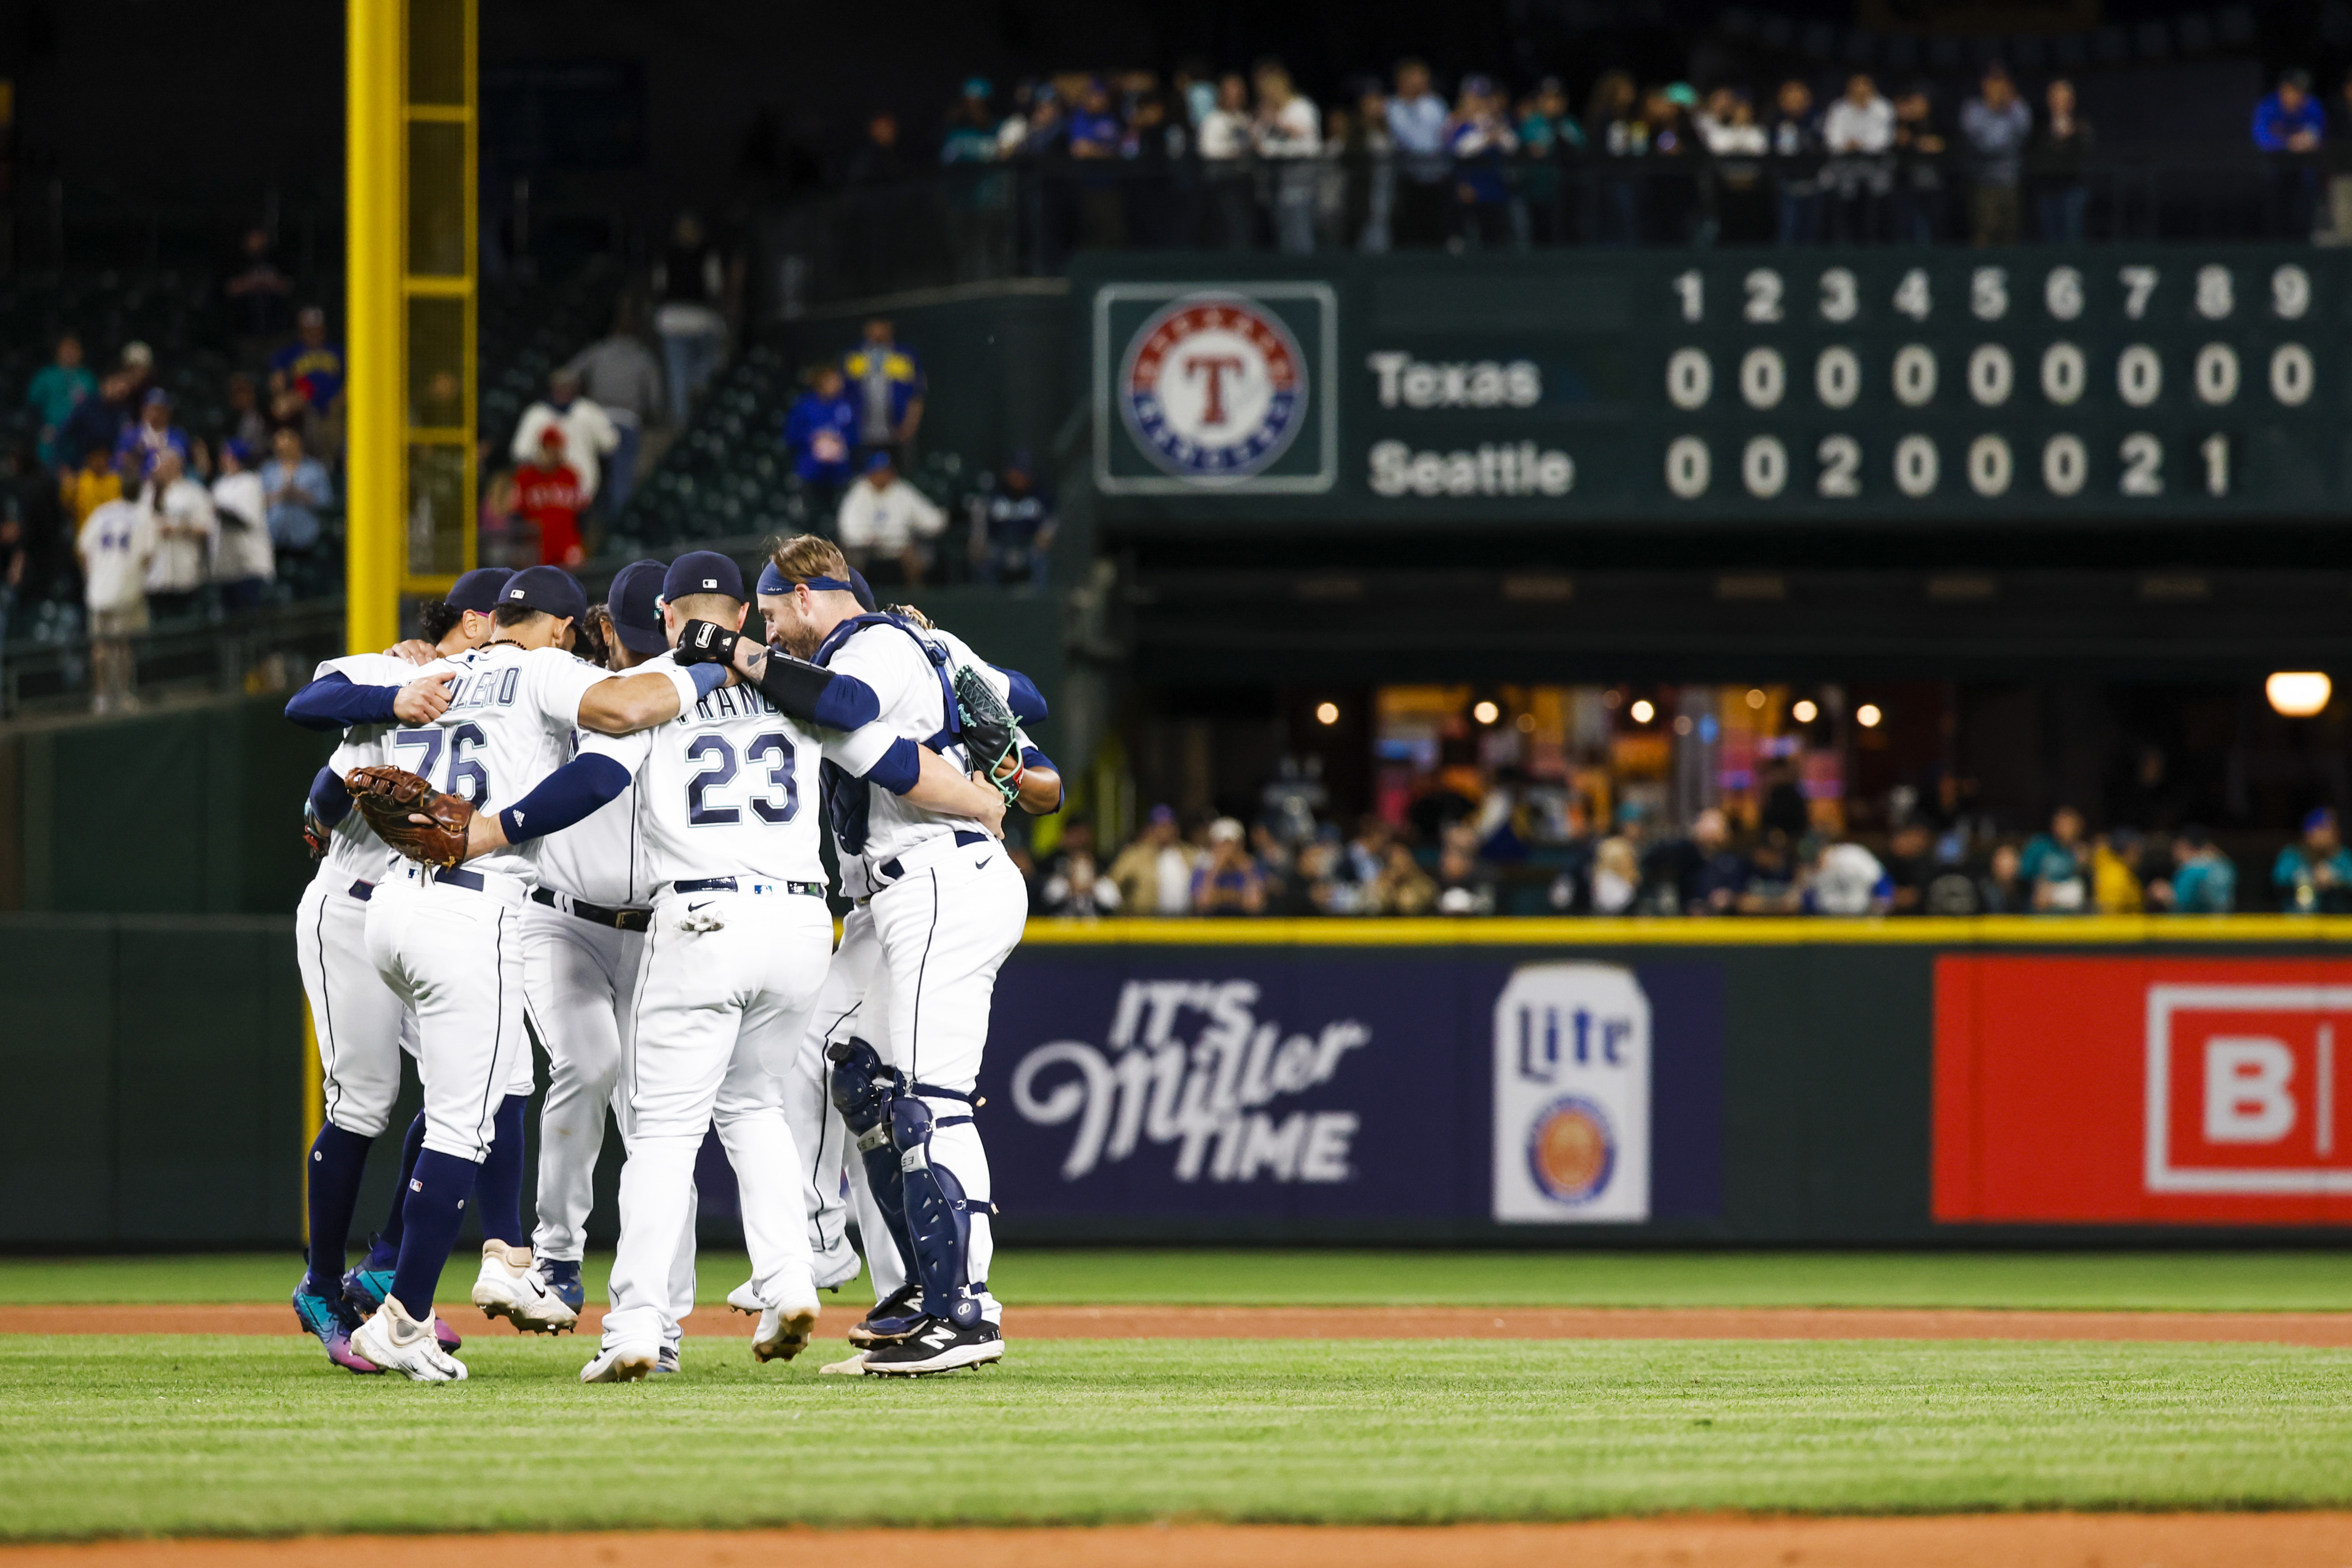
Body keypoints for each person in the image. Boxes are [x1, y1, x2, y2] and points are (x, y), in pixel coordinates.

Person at [327, 564, 744, 1379]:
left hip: (394, 902)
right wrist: (709, 664)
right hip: (475, 904)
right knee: (463, 1126)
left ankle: (473, 1271)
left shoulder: (437, 671)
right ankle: (404, 1317)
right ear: (557, 626)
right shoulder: (545, 663)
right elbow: (625, 709)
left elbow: (338, 772)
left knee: (484, 1093)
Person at [733, 535, 1036, 1374]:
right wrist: (972, 680)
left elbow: (844, 704)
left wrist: (741, 653)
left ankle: (965, 1309)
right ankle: (906, 1284)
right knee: (846, 1069)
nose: (771, 630)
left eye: (771, 614)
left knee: (930, 1098)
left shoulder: (873, 642)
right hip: (888, 894)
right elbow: (1022, 697)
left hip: (940, 874)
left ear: (803, 595)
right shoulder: (896, 644)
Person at [279, 567, 510, 1372]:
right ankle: (320, 1282)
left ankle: (383, 1262)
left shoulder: (509, 692)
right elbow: (307, 714)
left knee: (475, 1087)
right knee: (366, 1101)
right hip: (351, 906)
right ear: (475, 621)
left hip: (429, 907)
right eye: (506, 615)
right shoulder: (393, 668)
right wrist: (395, 694)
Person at [561, 307, 664, 517]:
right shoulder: (643, 356)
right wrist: (654, 415)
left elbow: (567, 375)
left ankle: (590, 520)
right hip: (627, 421)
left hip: (597, 420)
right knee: (622, 479)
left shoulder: (599, 350)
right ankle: (615, 528)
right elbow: (655, 397)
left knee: (589, 474)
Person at [76, 467, 157, 713]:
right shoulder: (144, 515)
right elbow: (148, 557)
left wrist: (93, 575)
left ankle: (101, 697)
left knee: (100, 646)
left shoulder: (102, 513)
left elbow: (81, 549)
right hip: (125, 589)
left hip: (99, 590)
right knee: (122, 645)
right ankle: (122, 694)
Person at [652, 212, 730, 427]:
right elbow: (715, 288)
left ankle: (685, 419)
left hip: (684, 318)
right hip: (690, 317)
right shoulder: (689, 255)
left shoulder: (694, 254)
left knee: (683, 373)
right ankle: (687, 422)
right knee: (685, 373)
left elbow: (659, 287)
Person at [834, 451, 945, 589]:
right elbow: (848, 530)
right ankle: (855, 601)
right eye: (879, 471)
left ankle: (916, 601)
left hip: (899, 548)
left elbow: (933, 521)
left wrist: (913, 532)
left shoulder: (902, 490)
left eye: (886, 470)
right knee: (849, 561)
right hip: (867, 549)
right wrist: (869, 538)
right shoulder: (859, 491)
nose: (883, 475)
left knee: (916, 557)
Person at [511, 369, 619, 510]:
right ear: (553, 386)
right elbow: (520, 452)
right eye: (561, 386)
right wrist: (545, 458)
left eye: (568, 386)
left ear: (576, 388)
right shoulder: (537, 414)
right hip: (543, 492)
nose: (564, 390)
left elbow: (610, 443)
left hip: (582, 487)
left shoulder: (588, 412)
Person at [138, 449, 216, 625]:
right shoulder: (148, 493)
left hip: (186, 574)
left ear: (175, 466)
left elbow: (207, 529)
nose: (158, 470)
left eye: (163, 465)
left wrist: (180, 528)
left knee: (185, 628)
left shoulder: (194, 492)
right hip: (155, 576)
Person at [1253, 60, 1321, 255]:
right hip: (1276, 185)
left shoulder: (1301, 108)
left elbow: (1311, 147)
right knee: (1283, 238)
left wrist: (1276, 144)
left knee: (1300, 237)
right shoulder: (1269, 112)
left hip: (1301, 182)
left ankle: (1306, 278)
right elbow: (1260, 144)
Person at [1959, 65, 2031, 246]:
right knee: (1984, 231)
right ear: (1984, 85)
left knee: (2011, 233)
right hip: (1983, 181)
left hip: (2011, 180)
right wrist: (1993, 109)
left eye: (2001, 83)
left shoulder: (2018, 108)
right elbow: (1981, 143)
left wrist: (2008, 105)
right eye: (1992, 83)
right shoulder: (1973, 109)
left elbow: (2024, 131)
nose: (1996, 88)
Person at [1445, 75, 1519, 251]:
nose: (1478, 104)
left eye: (1483, 99)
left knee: (1495, 242)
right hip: (1469, 192)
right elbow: (1461, 149)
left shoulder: (1498, 122)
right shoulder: (1460, 124)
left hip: (1496, 193)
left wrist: (1494, 132)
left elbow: (1512, 144)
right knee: (1464, 241)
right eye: (1473, 99)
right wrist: (1487, 138)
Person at [1822, 73, 1896, 242]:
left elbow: (1883, 141)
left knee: (1875, 205)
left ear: (1872, 90)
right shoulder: (1839, 108)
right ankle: (1843, 245)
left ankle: (1874, 244)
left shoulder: (1883, 108)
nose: (1860, 93)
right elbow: (1832, 140)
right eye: (1856, 89)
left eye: (1864, 89)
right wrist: (1849, 146)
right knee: (1842, 201)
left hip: (1875, 166)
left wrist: (1859, 144)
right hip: (1846, 167)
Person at [842, 316, 925, 465]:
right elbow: (842, 395)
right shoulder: (853, 356)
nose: (877, 331)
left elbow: (917, 395)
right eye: (873, 325)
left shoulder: (905, 355)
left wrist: (910, 425)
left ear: (889, 327)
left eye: (881, 325)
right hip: (863, 434)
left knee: (902, 478)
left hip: (897, 432)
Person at [1387, 59, 1451, 247]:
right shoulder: (1393, 108)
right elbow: (1412, 142)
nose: (1422, 82)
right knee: (1409, 237)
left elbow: (1443, 138)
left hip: (1438, 181)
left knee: (1437, 236)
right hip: (1408, 181)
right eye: (1417, 78)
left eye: (1424, 78)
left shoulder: (1435, 105)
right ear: (1403, 80)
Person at [2254, 69, 2325, 239]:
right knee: (2276, 224)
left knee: (2302, 223)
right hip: (2275, 174)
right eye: (2294, 90)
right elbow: (2262, 138)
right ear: (2284, 89)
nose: (2298, 96)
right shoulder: (2268, 106)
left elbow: (2317, 136)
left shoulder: (2311, 106)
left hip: (2304, 176)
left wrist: (2305, 142)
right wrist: (2289, 143)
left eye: (2301, 91)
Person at [969, 450, 1053, 588]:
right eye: (1015, 472)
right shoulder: (995, 493)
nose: (1018, 477)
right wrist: (978, 540)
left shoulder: (1041, 496)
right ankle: (990, 602)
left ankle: (1036, 599)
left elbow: (1050, 521)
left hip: (1028, 546)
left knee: (1039, 559)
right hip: (1000, 546)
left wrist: (1045, 535)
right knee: (987, 560)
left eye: (1023, 473)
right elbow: (980, 520)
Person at [783, 364, 859, 519]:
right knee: (811, 516)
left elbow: (856, 435)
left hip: (839, 473)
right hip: (811, 472)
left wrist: (840, 440)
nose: (838, 383)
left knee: (839, 515)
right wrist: (814, 438)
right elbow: (791, 435)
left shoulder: (846, 405)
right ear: (821, 382)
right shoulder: (805, 405)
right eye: (832, 380)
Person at [209, 440, 273, 614]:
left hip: (250, 567)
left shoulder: (251, 483)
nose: (222, 459)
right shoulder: (220, 485)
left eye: (227, 454)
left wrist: (218, 511)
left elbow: (244, 520)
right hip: (226, 568)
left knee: (252, 622)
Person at [1197, 74, 1257, 250]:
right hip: (1223, 182)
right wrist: (1236, 152)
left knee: (1246, 226)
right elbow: (1207, 150)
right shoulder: (1213, 120)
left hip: (1244, 181)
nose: (1235, 97)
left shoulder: (1244, 119)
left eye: (1239, 92)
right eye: (1231, 92)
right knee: (1230, 225)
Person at [514, 427, 587, 568]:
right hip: (537, 547)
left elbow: (583, 513)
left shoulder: (570, 476)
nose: (551, 453)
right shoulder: (525, 478)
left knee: (575, 583)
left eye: (555, 449)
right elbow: (516, 516)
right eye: (547, 448)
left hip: (567, 545)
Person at [1108, 804, 1200, 914]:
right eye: (1161, 826)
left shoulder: (1190, 854)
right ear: (1151, 829)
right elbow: (1112, 884)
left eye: (1170, 826)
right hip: (1146, 920)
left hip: (1185, 920)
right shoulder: (1135, 856)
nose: (1166, 831)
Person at [2033, 79, 2094, 243]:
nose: (2059, 102)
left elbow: (2085, 153)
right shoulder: (2039, 127)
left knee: (2072, 237)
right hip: (2047, 189)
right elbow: (2035, 155)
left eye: (2063, 97)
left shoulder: (2082, 126)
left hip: (2073, 188)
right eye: (2055, 97)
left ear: (2071, 101)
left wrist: (2071, 136)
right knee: (2050, 238)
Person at [26, 334, 96, 471]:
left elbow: (95, 409)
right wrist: (41, 428)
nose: (70, 353)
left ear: (80, 353)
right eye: (66, 349)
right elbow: (32, 407)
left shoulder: (87, 378)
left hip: (78, 443)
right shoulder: (46, 376)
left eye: (74, 349)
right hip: (51, 441)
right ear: (58, 352)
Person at [262, 425, 333, 555]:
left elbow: (326, 502)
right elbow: (259, 502)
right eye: (279, 444)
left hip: (306, 538)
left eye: (287, 443)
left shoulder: (314, 469)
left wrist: (301, 495)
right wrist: (279, 495)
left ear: (297, 442)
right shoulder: (268, 470)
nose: (282, 448)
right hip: (274, 538)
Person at [1769, 79, 1824, 245]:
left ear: (1808, 101)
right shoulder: (1776, 123)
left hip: (1815, 187)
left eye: (1799, 99)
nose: (1794, 104)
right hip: (1788, 188)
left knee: (1814, 237)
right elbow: (1779, 153)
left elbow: (1825, 147)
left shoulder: (1818, 121)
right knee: (1788, 235)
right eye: (1790, 100)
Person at [1890, 87, 1946, 244]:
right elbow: (1896, 145)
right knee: (1906, 227)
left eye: (1921, 103)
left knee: (1933, 228)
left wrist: (1938, 145)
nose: (1917, 107)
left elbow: (1949, 144)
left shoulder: (1937, 123)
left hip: (1933, 186)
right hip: (1906, 186)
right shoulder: (1901, 124)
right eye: (1914, 103)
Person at [272, 307, 347, 423]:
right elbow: (277, 379)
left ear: (324, 329)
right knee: (282, 406)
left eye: (317, 329)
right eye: (309, 330)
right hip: (304, 401)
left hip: (335, 401)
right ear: (301, 331)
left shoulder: (338, 351)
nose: (314, 334)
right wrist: (284, 394)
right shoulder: (290, 353)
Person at [224, 227, 296, 347]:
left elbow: (289, 287)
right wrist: (252, 284)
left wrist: (268, 284)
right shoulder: (235, 262)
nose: (257, 243)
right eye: (254, 239)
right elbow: (230, 289)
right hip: (246, 330)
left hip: (278, 330)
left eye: (261, 239)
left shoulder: (279, 260)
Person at [2274, 807, 2352, 913]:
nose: (2325, 834)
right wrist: (2309, 877)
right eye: (2321, 828)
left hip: (2339, 922)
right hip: (2297, 922)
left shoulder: (2343, 856)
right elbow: (2278, 878)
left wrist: (2336, 879)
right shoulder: (2292, 854)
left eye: (2330, 829)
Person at [1036, 820, 1120, 917]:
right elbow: (1047, 897)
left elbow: (1114, 902)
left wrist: (1092, 886)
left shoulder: (1102, 869)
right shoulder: (1052, 867)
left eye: (1084, 834)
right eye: (1076, 834)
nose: (1080, 839)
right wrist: (1071, 885)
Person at [2019, 806, 2090, 912]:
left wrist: (2084, 866)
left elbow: (2084, 890)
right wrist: (2038, 886)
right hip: (2039, 911)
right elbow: (2022, 877)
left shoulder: (2081, 853)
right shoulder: (2039, 846)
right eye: (2063, 824)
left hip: (2071, 915)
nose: (2066, 829)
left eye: (2071, 825)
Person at [1193, 816, 1267, 914]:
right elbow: (1203, 903)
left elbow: (1255, 905)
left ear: (1241, 845)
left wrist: (1248, 871)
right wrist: (1215, 869)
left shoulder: (1253, 869)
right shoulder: (1202, 871)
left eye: (1232, 845)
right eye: (1222, 845)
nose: (1228, 850)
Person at [116, 388, 194, 479]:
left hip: (172, 485)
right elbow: (117, 464)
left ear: (168, 412)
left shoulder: (179, 436)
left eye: (161, 410)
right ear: (143, 410)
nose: (156, 414)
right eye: (153, 409)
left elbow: (186, 464)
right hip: (139, 485)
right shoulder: (131, 435)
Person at [2155, 829, 2237, 914]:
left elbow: (2181, 902)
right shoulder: (2222, 865)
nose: (2173, 854)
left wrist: (2165, 895)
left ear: (2184, 845)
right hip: (2223, 921)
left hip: (2195, 923)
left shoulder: (2191, 869)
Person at [1806, 837, 1892, 915]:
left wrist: (1877, 913)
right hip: (1828, 919)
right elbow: (1808, 901)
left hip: (1861, 917)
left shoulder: (1852, 855)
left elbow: (1880, 881)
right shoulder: (1812, 872)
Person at [63, 442, 124, 528]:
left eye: (101, 457)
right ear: (89, 459)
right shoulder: (80, 480)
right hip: (86, 533)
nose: (98, 462)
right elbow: (66, 503)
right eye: (95, 458)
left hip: (109, 533)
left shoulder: (116, 481)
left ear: (107, 458)